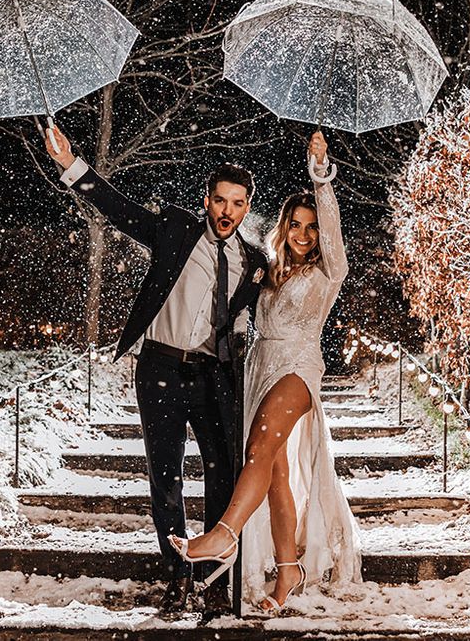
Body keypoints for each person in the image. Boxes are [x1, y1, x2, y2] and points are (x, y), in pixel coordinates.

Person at [44, 127, 267, 619]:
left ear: (247, 208)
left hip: (213, 377)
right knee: (164, 477)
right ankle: (177, 576)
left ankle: (213, 577)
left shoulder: (254, 261)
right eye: (220, 201)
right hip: (160, 366)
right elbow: (121, 212)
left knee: (221, 474)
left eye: (237, 203)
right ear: (207, 201)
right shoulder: (177, 229)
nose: (227, 211)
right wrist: (72, 164)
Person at [169, 131, 362, 612]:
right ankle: (287, 571)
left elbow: (334, 233)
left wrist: (320, 174)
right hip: (260, 366)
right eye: (294, 225)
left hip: (298, 367)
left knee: (259, 446)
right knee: (273, 471)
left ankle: (224, 534)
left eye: (311, 227)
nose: (302, 234)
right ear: (284, 227)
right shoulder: (269, 272)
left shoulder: (327, 272)